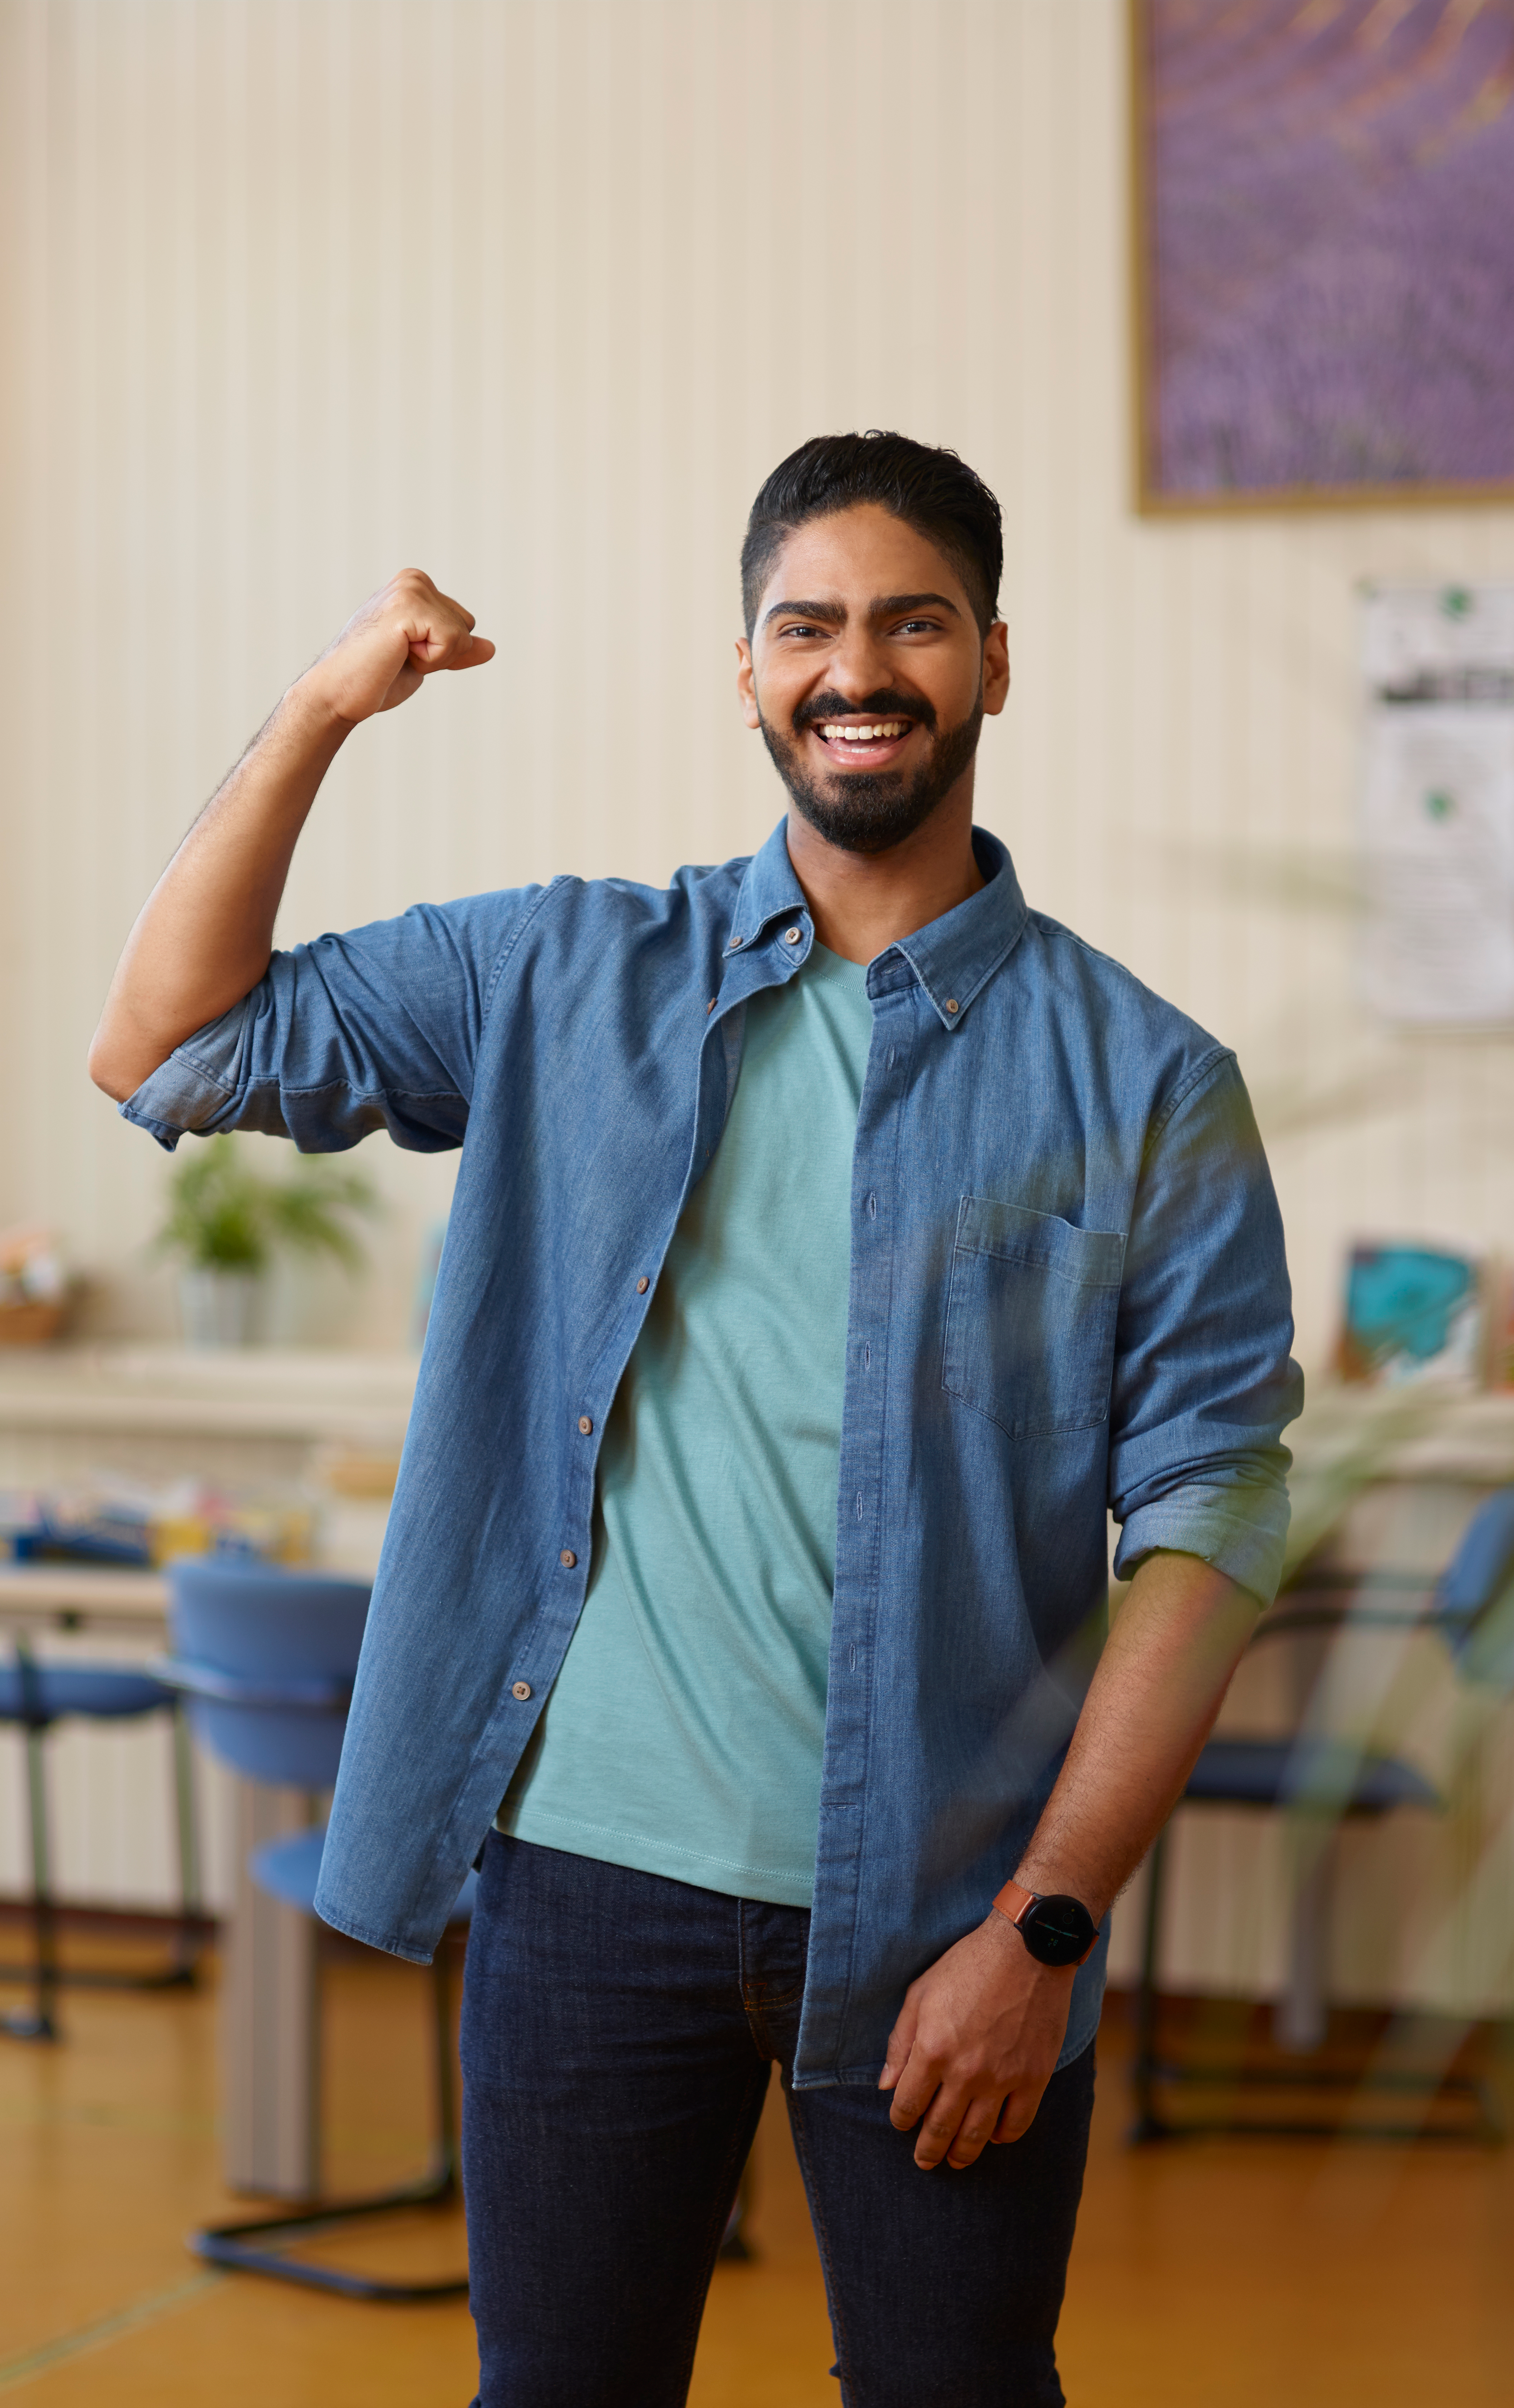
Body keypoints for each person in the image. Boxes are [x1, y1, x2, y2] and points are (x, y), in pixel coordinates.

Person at [90, 431, 1302, 2407]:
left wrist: (1047, 1927)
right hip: (578, 1882)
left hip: (952, 1912)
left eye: (912, 621)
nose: (857, 667)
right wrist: (322, 707)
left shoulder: (1146, 1078)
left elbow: (1209, 1523)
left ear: (994, 662)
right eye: (805, 624)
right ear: (742, 670)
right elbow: (168, 1044)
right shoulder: (567, 973)